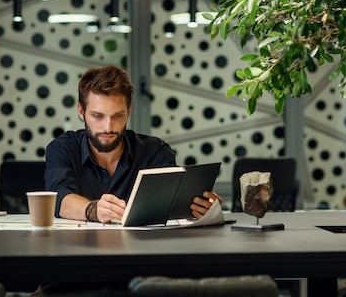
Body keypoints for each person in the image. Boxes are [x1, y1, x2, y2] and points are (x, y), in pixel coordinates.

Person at [44, 65, 222, 223]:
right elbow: (59, 198)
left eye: (118, 116)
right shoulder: (63, 149)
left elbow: (170, 203)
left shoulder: (155, 152)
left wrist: (203, 208)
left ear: (129, 111)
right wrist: (93, 210)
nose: (108, 127)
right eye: (98, 116)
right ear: (81, 111)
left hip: (144, 253)